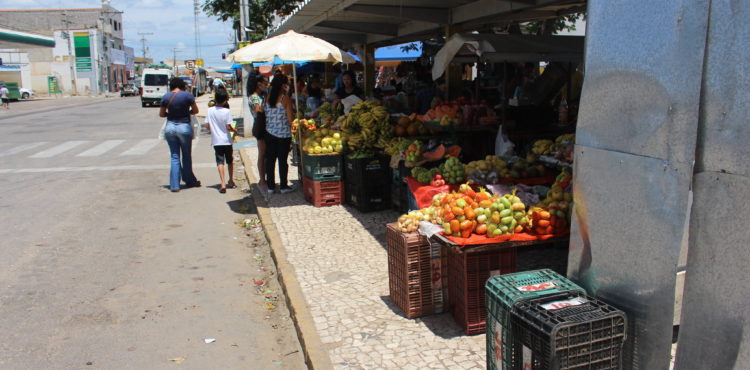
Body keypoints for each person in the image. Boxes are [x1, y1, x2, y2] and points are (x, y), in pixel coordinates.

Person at [160, 77, 201, 192]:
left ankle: (174, 185)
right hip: (184, 127)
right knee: (186, 156)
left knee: (174, 156)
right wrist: (187, 112)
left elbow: (162, 114)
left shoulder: (166, 96)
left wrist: (171, 114)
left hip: (170, 127)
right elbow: (196, 111)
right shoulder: (188, 96)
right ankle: (190, 181)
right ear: (181, 85)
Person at [264, 74, 295, 194]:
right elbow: (290, 119)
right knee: (283, 161)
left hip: (269, 133)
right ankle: (283, 186)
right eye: (286, 83)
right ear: (283, 85)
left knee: (271, 160)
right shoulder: (285, 99)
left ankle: (271, 186)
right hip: (283, 134)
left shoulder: (267, 97)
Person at [204, 89, 238, 193]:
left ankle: (222, 183)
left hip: (216, 140)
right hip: (226, 140)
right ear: (224, 101)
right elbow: (228, 127)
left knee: (220, 161)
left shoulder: (210, 110)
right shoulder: (227, 111)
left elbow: (206, 125)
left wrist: (213, 129)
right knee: (230, 161)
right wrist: (234, 130)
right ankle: (231, 181)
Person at [247, 73, 269, 191]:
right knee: (262, 154)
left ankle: (264, 179)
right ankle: (262, 180)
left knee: (265, 154)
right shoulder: (254, 97)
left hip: (265, 126)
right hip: (261, 127)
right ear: (258, 84)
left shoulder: (262, 95)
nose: (267, 85)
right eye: (265, 83)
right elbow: (258, 110)